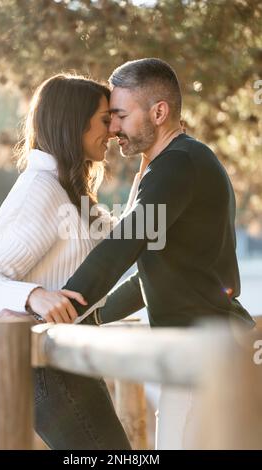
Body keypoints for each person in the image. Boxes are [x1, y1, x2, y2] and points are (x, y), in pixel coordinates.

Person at [0, 73, 131, 450]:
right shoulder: (40, 191)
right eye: (106, 119)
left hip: (70, 360)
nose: (114, 130)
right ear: (75, 122)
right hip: (47, 369)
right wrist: (34, 296)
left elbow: (127, 239)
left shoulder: (69, 191)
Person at [59, 58, 255, 330]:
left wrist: (60, 307)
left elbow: (123, 244)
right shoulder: (183, 161)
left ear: (159, 113)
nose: (113, 129)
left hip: (213, 346)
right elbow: (152, 277)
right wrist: (90, 317)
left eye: (122, 116)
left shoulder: (178, 163)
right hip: (211, 340)